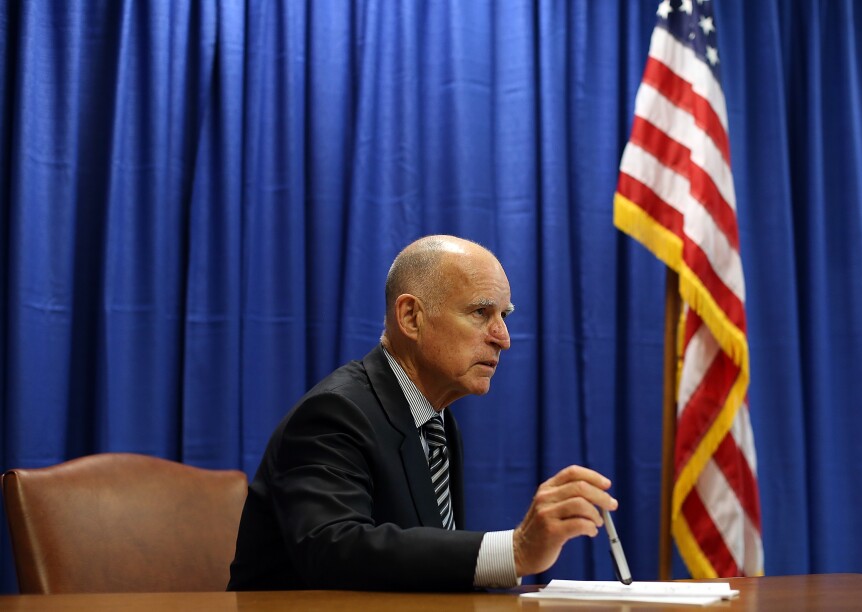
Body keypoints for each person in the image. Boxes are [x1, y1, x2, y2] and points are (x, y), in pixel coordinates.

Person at [227, 235, 618, 591]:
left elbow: (424, 572)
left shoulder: (436, 421)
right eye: (481, 312)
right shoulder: (334, 413)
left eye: (505, 315)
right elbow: (335, 550)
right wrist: (514, 551)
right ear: (411, 317)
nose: (504, 338)